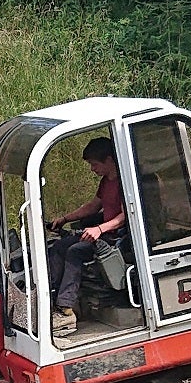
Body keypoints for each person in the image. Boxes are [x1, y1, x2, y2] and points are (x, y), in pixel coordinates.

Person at [47, 136, 126, 336]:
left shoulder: (125, 182)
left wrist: (100, 229)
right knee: (59, 246)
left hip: (116, 238)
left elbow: (126, 216)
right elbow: (93, 206)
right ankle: (52, 299)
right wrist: (65, 219)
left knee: (75, 252)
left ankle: (66, 310)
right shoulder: (106, 182)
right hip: (102, 233)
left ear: (109, 160)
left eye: (94, 164)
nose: (92, 169)